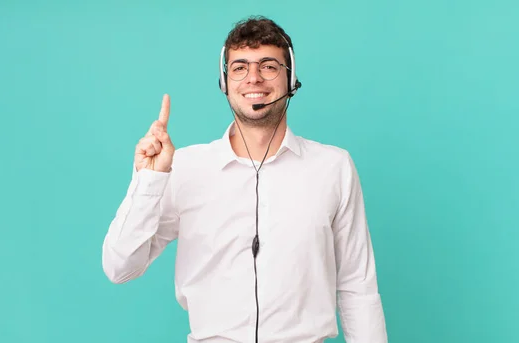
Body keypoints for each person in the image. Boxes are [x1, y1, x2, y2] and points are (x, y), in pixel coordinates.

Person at [102, 15, 388, 343]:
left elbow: (358, 289)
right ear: (225, 82)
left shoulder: (333, 167)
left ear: (290, 77)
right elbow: (120, 267)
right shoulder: (183, 168)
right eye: (239, 67)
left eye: (268, 66)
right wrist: (150, 180)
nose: (253, 78)